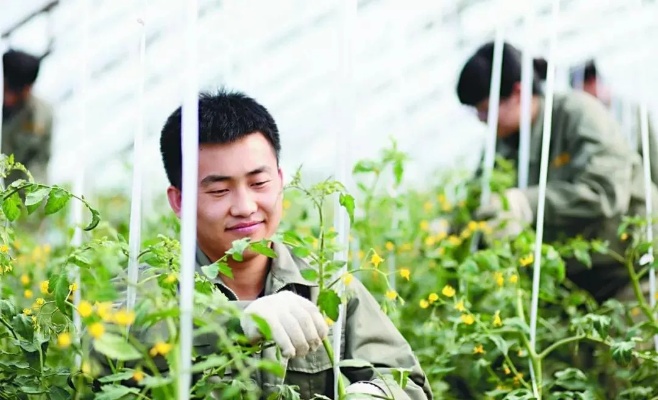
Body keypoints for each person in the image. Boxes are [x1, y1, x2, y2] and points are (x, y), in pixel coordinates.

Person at [98, 89, 432, 399]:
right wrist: (237, 321)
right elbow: (101, 345)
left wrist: (371, 393)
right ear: (179, 201)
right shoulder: (146, 286)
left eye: (259, 182)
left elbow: (407, 381)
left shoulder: (328, 287)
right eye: (219, 190)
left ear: (281, 181)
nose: (244, 206)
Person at [455, 41, 658, 304]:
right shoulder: (501, 144)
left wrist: (525, 203)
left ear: (518, 93)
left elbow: (605, 193)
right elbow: (477, 201)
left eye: (484, 109)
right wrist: (451, 224)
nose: (481, 120)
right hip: (577, 287)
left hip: (635, 270)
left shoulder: (578, 114)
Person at [570, 59, 658, 185]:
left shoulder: (631, 112)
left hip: (634, 184)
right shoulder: (587, 118)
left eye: (582, 90)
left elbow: (652, 156)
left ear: (592, 82)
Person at [2, 49, 53, 185]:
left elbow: (39, 163)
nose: (10, 98)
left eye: (18, 91)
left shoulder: (41, 115)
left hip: (21, 192)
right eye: (8, 89)